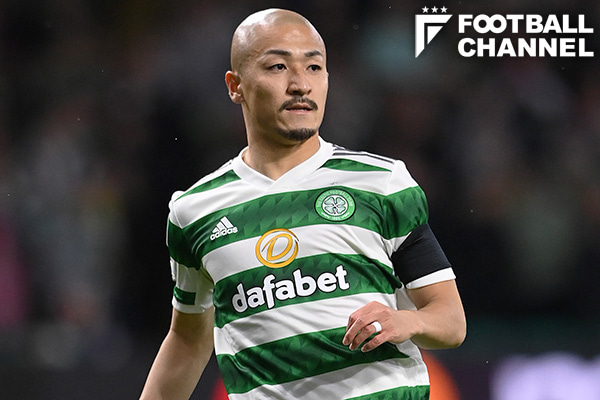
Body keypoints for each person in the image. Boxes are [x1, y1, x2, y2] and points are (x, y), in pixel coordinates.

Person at [140, 8, 466, 400]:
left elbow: (450, 321)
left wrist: (405, 321)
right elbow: (188, 340)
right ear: (235, 86)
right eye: (278, 67)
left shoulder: (383, 183)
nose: (300, 84)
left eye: (314, 67)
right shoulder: (195, 212)